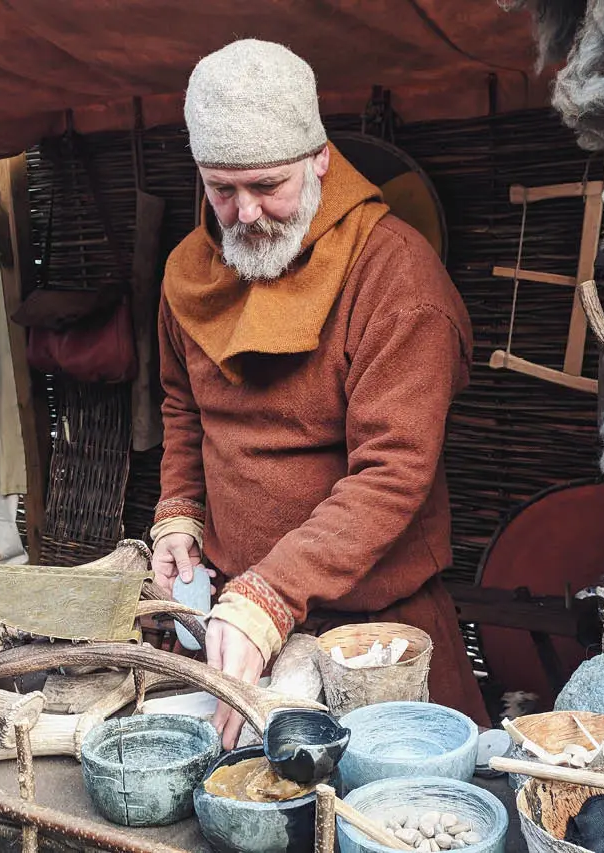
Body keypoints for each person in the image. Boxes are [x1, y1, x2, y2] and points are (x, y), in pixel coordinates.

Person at [151, 38, 489, 747]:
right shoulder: (190, 270)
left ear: (321, 162)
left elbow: (393, 472)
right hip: (238, 624)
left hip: (375, 637)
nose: (243, 214)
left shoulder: (395, 279)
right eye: (222, 189)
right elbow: (184, 405)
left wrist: (271, 592)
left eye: (267, 185)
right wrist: (178, 514)